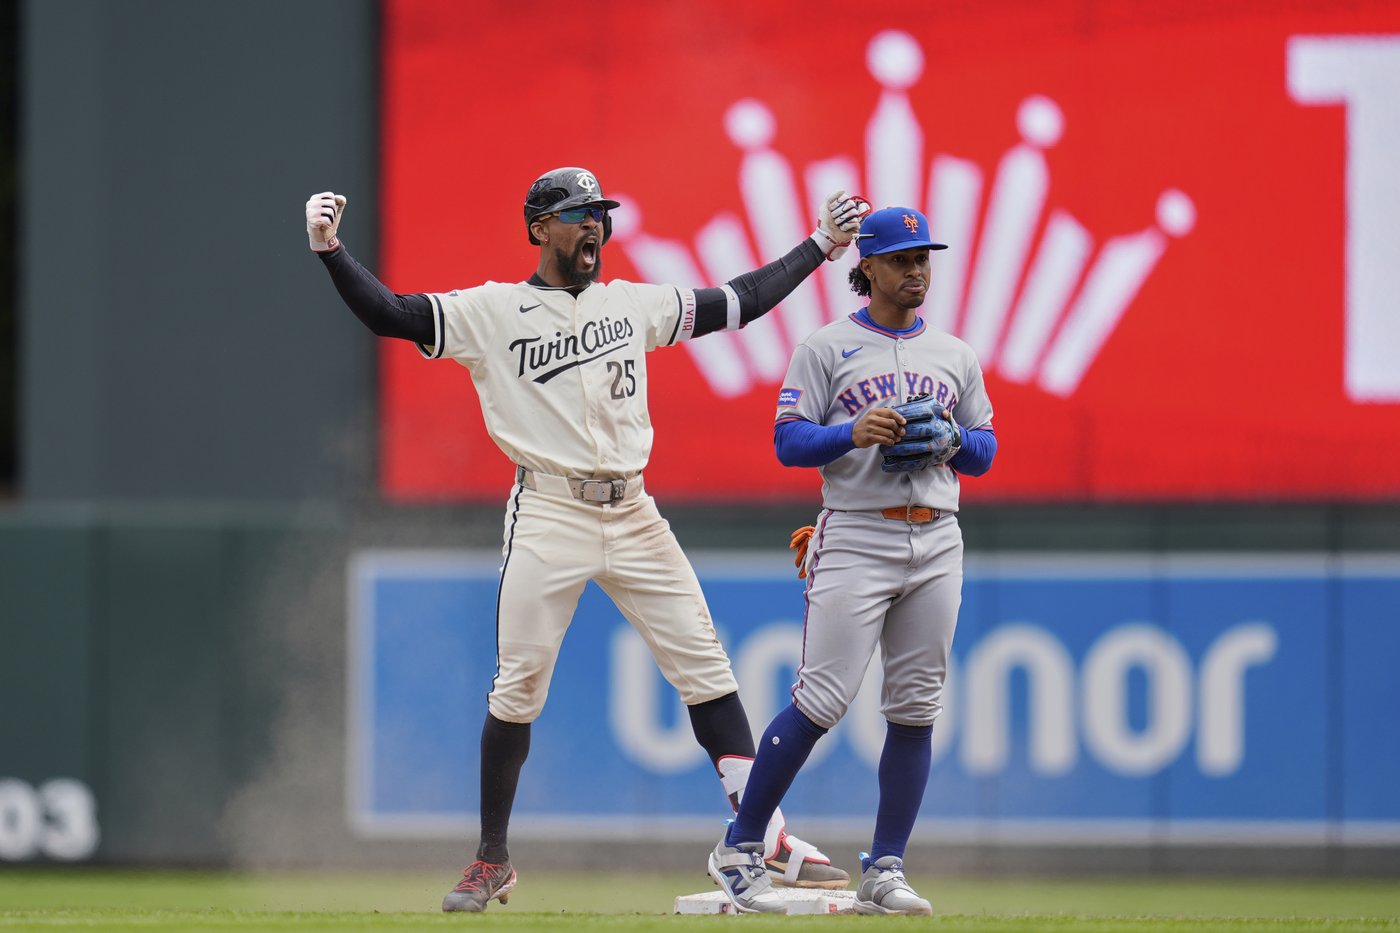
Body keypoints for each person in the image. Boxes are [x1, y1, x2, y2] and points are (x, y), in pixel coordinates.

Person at [303, 168, 868, 912]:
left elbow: (741, 301)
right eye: (576, 213)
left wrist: (822, 245)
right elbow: (393, 315)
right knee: (519, 684)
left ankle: (762, 834)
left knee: (707, 670)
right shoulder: (492, 310)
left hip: (634, 509)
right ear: (539, 228)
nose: (593, 225)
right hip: (548, 510)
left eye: (600, 212)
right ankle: (491, 859)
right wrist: (330, 249)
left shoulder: (631, 303)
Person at [705, 206, 997, 915]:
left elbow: (985, 452)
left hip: (936, 536)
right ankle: (741, 849)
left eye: (923, 256)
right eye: (901, 258)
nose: (917, 268)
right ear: (865, 266)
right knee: (821, 699)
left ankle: (885, 867)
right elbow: (788, 441)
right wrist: (850, 432)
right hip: (858, 532)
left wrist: (951, 437)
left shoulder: (954, 354)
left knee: (916, 706)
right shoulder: (828, 347)